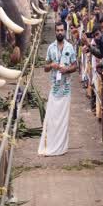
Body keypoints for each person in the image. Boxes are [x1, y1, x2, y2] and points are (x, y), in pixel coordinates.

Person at [38, 21, 77, 156]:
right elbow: (45, 68)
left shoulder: (70, 48)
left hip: (66, 89)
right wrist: (52, 65)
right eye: (58, 30)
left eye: (62, 30)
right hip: (54, 88)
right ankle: (51, 145)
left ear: (65, 31)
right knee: (52, 117)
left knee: (63, 119)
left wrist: (67, 69)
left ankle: (62, 147)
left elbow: (75, 66)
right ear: (55, 31)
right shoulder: (50, 48)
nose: (60, 32)